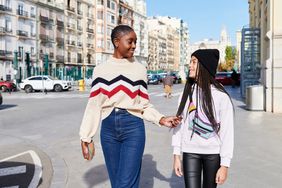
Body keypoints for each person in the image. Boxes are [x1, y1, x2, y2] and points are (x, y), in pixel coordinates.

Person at [79, 25, 181, 188]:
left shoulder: (140, 70)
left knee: (125, 184)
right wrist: (86, 136)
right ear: (116, 42)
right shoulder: (100, 70)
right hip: (108, 129)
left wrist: (161, 119)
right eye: (130, 41)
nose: (134, 45)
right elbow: (94, 105)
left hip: (133, 127)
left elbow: (144, 105)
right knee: (117, 183)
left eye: (135, 42)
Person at [172, 49, 234, 188]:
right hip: (190, 152)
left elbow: (227, 132)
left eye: (194, 62)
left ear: (205, 66)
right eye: (190, 61)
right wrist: (176, 154)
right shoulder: (187, 92)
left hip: (213, 153)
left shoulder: (221, 96)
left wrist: (225, 165)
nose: (190, 65)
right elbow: (179, 124)